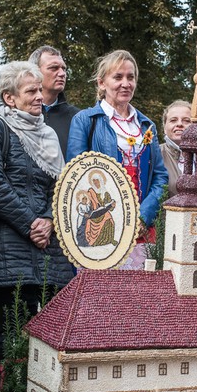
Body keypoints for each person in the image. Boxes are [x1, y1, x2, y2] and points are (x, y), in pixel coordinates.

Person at [0, 61, 74, 392]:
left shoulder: (47, 135)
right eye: (31, 91)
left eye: (39, 90)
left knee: (49, 326)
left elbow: (59, 187)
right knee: (10, 324)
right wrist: (30, 223)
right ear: (9, 97)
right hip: (9, 245)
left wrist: (49, 220)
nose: (39, 97)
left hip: (48, 245)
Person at [67, 50, 168, 269]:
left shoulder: (146, 125)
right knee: (102, 288)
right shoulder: (85, 120)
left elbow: (160, 176)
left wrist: (143, 217)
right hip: (102, 225)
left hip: (141, 229)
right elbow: (75, 176)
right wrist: (117, 215)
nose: (125, 83)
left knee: (141, 289)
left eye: (130, 77)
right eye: (118, 77)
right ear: (101, 83)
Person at [159, 99, 197, 200]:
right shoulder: (156, 154)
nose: (179, 124)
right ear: (165, 127)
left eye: (186, 121)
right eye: (173, 120)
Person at [29, 45, 78, 157]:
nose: (62, 74)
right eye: (54, 68)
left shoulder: (77, 118)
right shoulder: (15, 114)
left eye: (63, 69)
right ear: (34, 72)